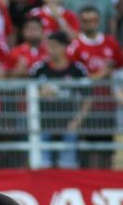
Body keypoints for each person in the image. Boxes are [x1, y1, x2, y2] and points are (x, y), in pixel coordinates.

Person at [30, 31, 91, 169]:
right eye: (48, 45)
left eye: (55, 46)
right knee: (43, 165)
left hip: (69, 122)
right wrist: (40, 93)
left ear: (64, 47)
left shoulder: (77, 69)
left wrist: (78, 121)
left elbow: (88, 98)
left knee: (68, 165)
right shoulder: (38, 69)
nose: (50, 49)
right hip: (44, 124)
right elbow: (27, 93)